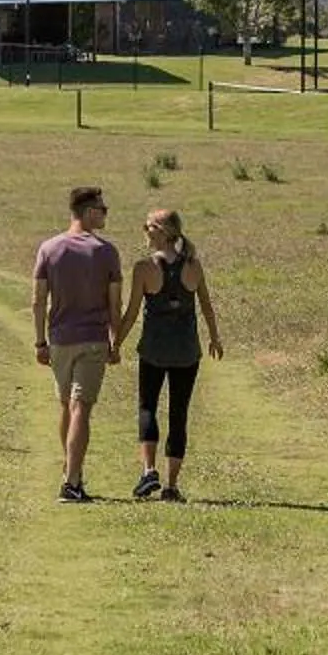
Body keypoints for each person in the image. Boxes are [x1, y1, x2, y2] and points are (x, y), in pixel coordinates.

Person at [125, 207, 222, 503]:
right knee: (179, 414)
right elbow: (206, 306)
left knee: (147, 407)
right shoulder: (193, 266)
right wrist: (214, 337)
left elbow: (131, 312)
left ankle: (149, 471)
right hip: (186, 352)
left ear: (163, 232)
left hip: (153, 350)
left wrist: (115, 342)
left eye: (149, 226)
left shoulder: (144, 268)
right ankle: (171, 486)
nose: (145, 231)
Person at [33, 184, 122, 502]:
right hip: (93, 339)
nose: (106, 214)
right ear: (88, 212)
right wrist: (116, 341)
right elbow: (115, 304)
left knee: (66, 407)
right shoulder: (106, 252)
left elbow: (38, 300)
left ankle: (71, 471)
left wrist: (40, 341)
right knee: (80, 408)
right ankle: (72, 482)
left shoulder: (49, 248)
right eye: (102, 209)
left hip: (59, 340)